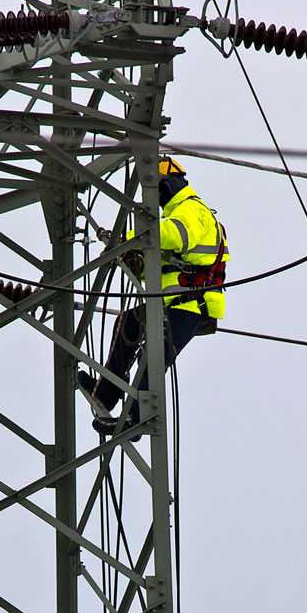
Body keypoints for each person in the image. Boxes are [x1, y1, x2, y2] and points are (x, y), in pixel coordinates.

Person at [77, 157, 229, 436]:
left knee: (153, 356)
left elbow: (173, 236)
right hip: (172, 302)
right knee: (127, 324)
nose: (157, 198)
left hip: (191, 305)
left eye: (158, 190)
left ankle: (136, 419)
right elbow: (163, 263)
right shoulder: (175, 215)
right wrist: (136, 260)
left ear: (170, 184)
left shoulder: (192, 210)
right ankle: (106, 393)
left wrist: (130, 240)